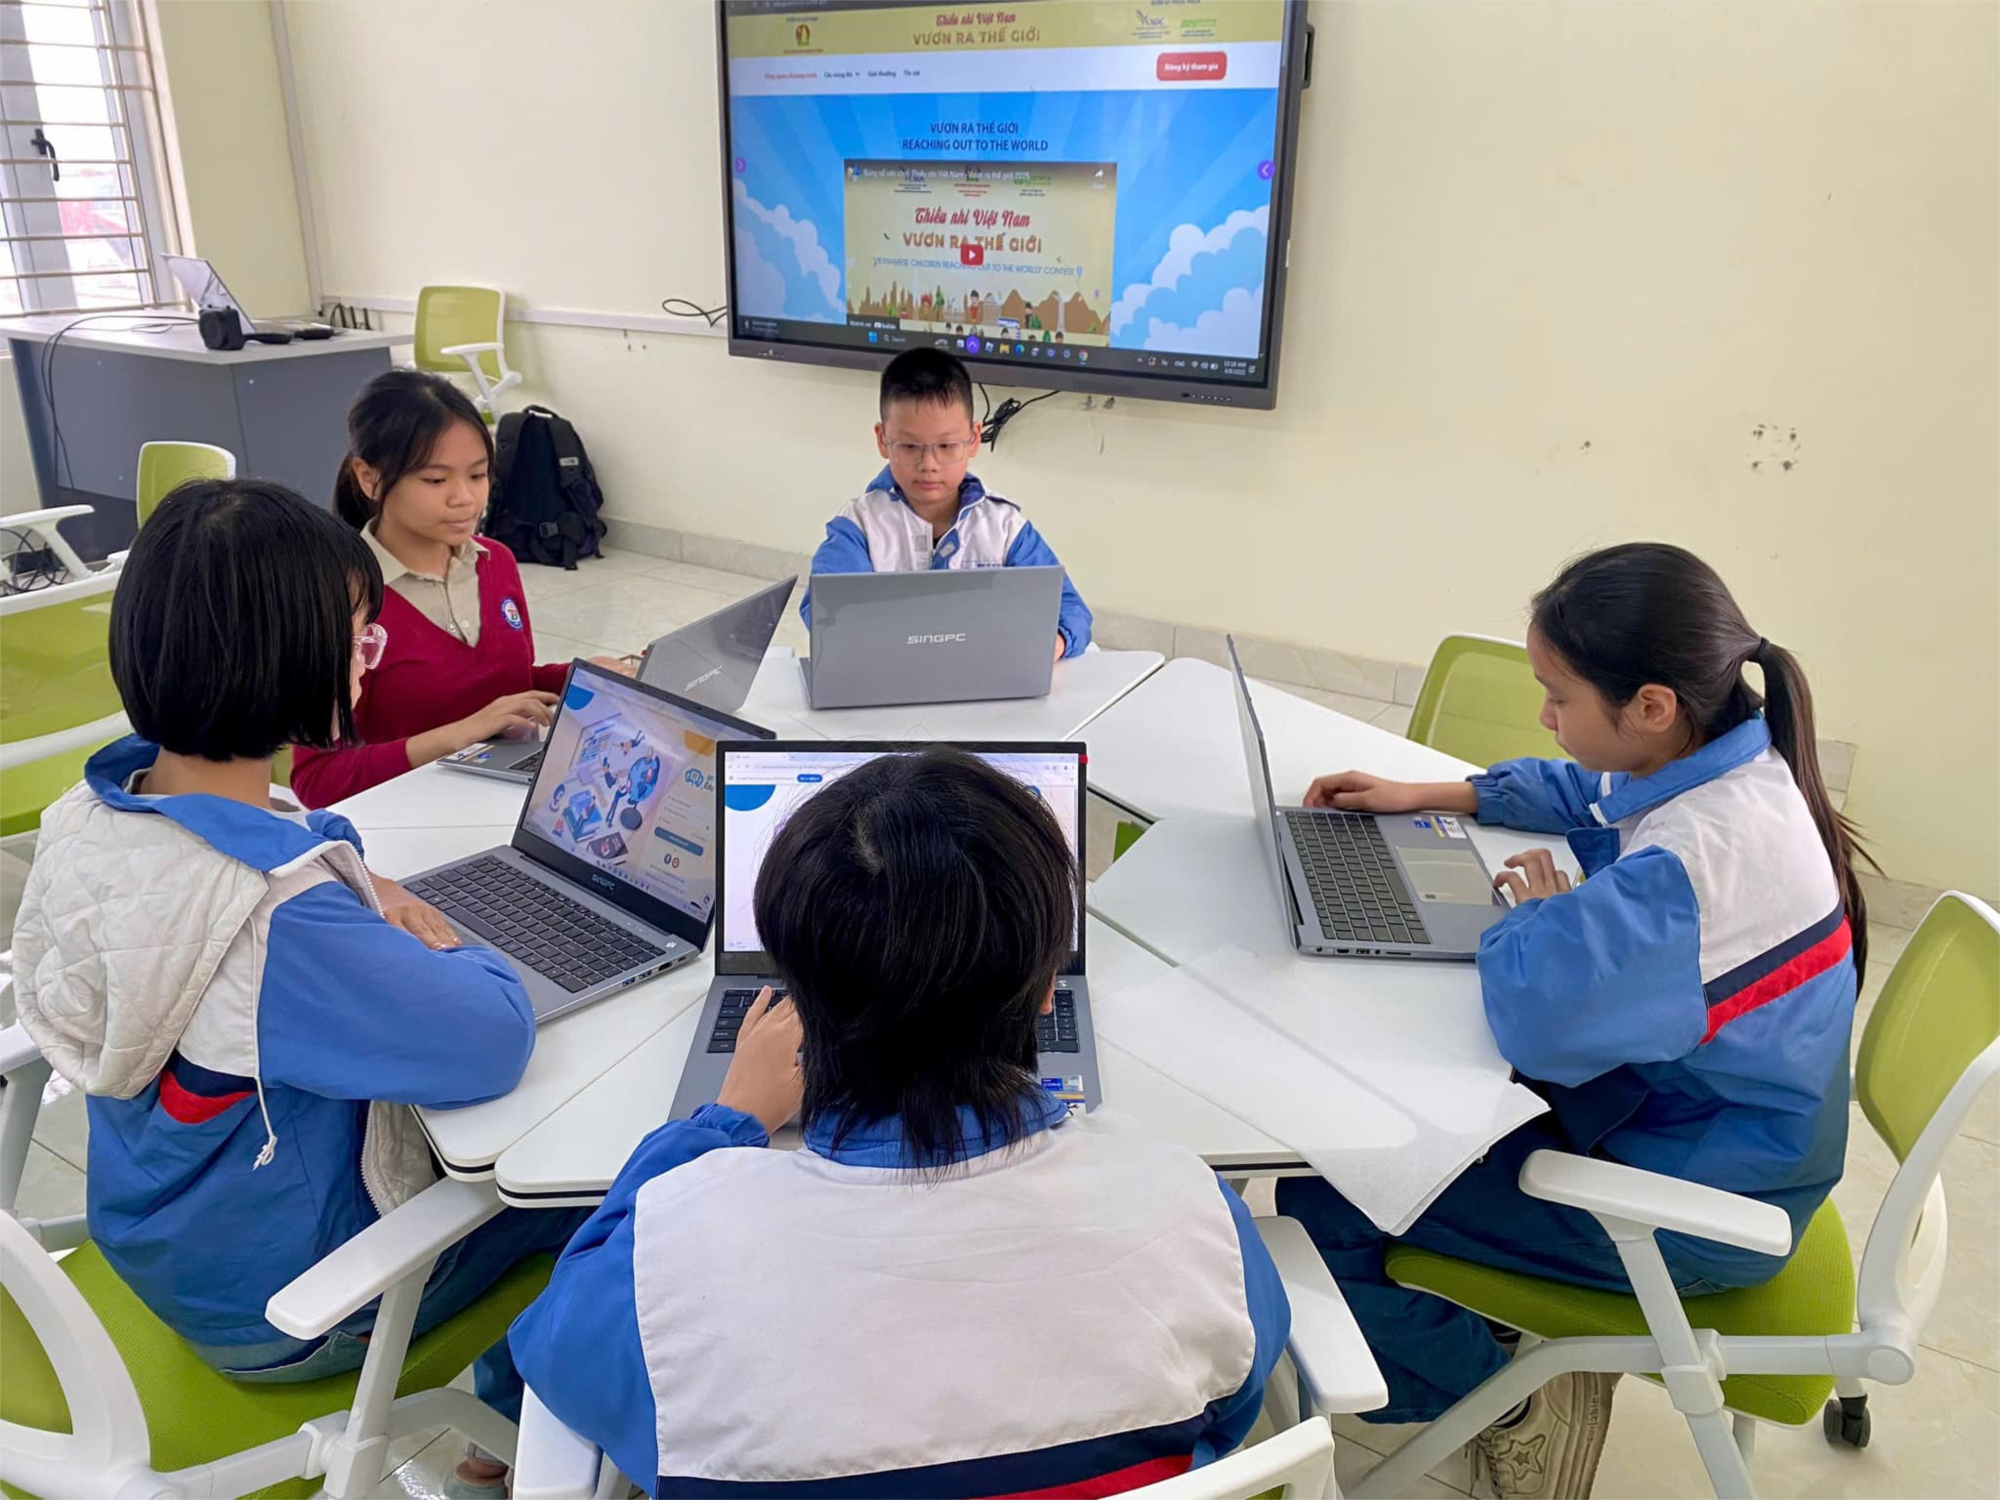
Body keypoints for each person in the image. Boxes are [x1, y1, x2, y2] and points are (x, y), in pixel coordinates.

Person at [10, 480, 585, 1495]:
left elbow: (278, 836)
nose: (371, 660)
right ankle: (511, 1440)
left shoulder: (96, 809)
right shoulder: (280, 922)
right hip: (281, 1309)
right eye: (361, 639)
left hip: (158, 1236)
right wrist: (458, 938)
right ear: (286, 661)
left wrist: (364, 887)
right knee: (593, 1187)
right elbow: (494, 1038)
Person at [511, 748, 1285, 1494]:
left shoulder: (668, 1268)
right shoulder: (1192, 1214)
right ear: (1050, 985)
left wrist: (725, 1121)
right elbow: (1230, 1408)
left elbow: (558, 1347)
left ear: (796, 997)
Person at [1285, 542, 1868, 1498]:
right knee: (1407, 1131)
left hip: (1691, 1204)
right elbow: (1590, 794)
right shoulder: (1731, 762)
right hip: (1725, 1136)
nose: (1544, 716)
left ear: (1651, 705)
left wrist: (1541, 914)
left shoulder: (1690, 871)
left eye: (1558, 697)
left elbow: (1535, 1020)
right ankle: (1492, 1319)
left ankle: (1499, 1401)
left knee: (1325, 1199)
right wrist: (1432, 795)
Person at [290, 368, 630, 809]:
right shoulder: (339, 595)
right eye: (436, 480)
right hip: (410, 814)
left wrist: (578, 676)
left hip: (507, 795)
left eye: (478, 475)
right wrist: (460, 735)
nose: (465, 498)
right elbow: (317, 780)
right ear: (369, 477)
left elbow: (500, 682)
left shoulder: (495, 560)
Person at [799, 347, 1093, 661]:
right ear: (883, 439)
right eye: (909, 446)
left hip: (984, 674)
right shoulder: (859, 526)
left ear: (974, 438)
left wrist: (1054, 643)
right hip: (890, 673)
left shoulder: (1005, 528)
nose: (929, 464)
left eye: (946, 445)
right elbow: (827, 611)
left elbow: (1068, 608)